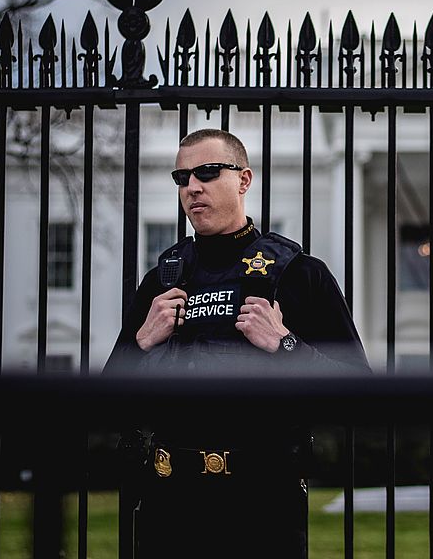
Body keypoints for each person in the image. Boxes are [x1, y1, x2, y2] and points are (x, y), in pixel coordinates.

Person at [103, 128, 370, 558]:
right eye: (182, 177)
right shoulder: (164, 279)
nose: (192, 187)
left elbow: (360, 397)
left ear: (244, 180)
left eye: (208, 173)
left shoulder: (301, 275)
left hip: (262, 508)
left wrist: (286, 346)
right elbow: (107, 404)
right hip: (169, 506)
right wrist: (142, 343)